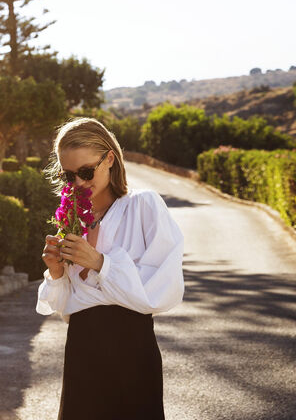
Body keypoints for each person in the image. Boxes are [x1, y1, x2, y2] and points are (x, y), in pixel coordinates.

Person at [37, 117, 184, 420]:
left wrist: (101, 263)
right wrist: (56, 272)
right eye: (68, 176)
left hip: (130, 349)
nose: (78, 183)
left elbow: (162, 289)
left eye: (86, 172)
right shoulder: (72, 221)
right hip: (81, 350)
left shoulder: (143, 206)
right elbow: (67, 308)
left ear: (110, 159)